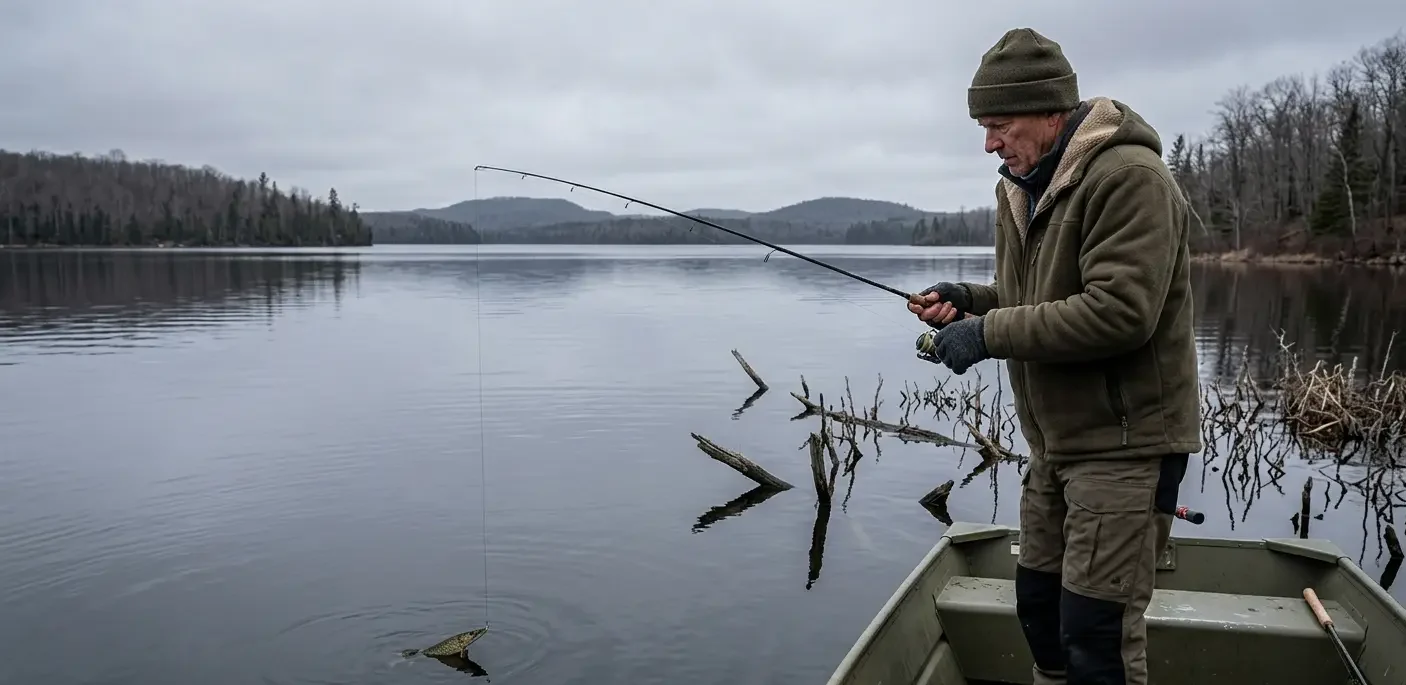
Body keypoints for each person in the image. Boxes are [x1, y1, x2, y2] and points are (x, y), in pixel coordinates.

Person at [908, 28, 1203, 685]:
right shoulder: (1019, 185)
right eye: (984, 127)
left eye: (999, 125)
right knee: (1040, 610)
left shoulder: (1130, 177)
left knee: (1097, 636)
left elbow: (1119, 313)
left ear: (1051, 112)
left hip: (1126, 443)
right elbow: (1027, 299)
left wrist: (986, 334)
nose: (989, 142)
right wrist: (968, 302)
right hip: (1057, 444)